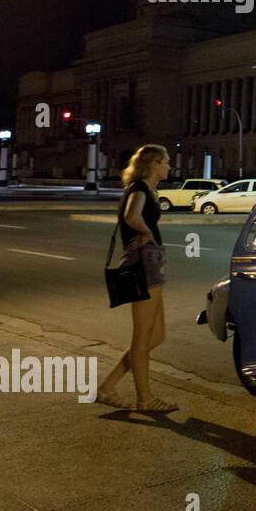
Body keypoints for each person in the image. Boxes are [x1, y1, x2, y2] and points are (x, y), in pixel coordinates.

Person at [97, 144, 178, 412]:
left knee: (156, 336)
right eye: (166, 162)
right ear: (154, 163)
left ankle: (108, 386)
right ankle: (146, 399)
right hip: (143, 263)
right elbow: (131, 216)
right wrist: (147, 232)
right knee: (143, 337)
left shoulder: (144, 190)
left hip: (149, 263)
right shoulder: (140, 189)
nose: (169, 166)